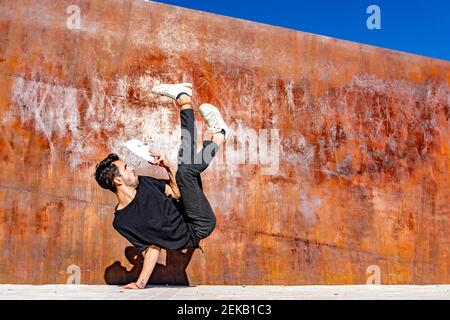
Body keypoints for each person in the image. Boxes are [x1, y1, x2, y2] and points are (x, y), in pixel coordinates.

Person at [94, 83, 230, 289]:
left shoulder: (145, 184)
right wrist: (140, 284)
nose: (132, 168)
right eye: (125, 168)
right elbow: (152, 246)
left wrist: (167, 166)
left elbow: (176, 192)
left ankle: (184, 101)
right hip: (198, 227)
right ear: (117, 181)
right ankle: (218, 135)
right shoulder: (122, 221)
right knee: (185, 171)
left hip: (190, 209)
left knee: (183, 165)